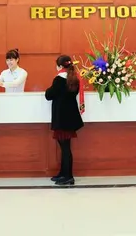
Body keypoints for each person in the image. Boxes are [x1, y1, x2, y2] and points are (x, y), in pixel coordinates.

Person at [44, 55, 84, 186]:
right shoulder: (74, 79)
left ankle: (68, 176)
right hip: (70, 116)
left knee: (65, 148)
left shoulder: (59, 79)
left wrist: (48, 89)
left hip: (62, 117)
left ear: (60, 66)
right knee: (65, 147)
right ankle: (63, 173)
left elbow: (49, 95)